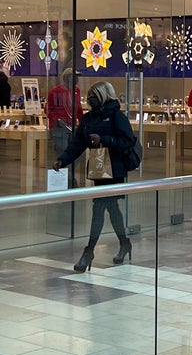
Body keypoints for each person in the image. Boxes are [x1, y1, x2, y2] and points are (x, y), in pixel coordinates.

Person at [52, 81, 134, 273]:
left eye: (95, 95)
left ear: (105, 95)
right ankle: (124, 243)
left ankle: (89, 251)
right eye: (89, 95)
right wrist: (62, 161)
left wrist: (103, 140)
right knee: (112, 208)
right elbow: (77, 144)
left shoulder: (116, 116)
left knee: (99, 208)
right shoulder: (88, 119)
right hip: (98, 170)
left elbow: (127, 140)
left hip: (114, 169)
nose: (91, 99)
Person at [46, 68, 84, 156]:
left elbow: (78, 109)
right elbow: (48, 109)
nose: (77, 79)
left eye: (77, 77)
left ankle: (69, 169)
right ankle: (64, 168)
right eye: (74, 77)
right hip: (59, 128)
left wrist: (82, 122)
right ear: (67, 78)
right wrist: (57, 120)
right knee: (63, 152)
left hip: (72, 127)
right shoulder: (55, 92)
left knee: (78, 152)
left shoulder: (76, 91)